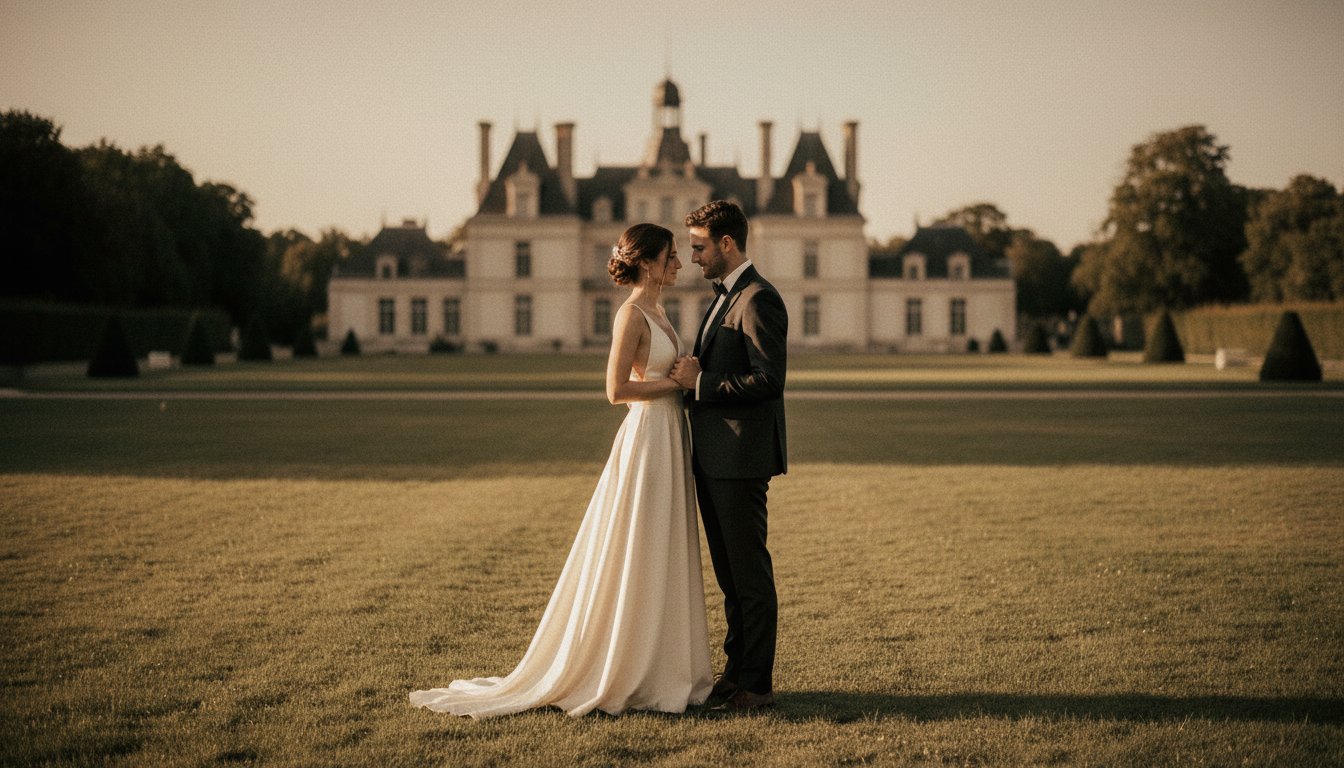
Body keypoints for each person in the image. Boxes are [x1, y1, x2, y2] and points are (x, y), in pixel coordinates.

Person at [409, 223, 712, 718]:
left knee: (663, 542)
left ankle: (661, 661)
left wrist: (680, 377)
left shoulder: (659, 310)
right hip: (647, 437)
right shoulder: (631, 313)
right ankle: (628, 665)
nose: (679, 264)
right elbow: (615, 391)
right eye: (671, 257)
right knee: (639, 542)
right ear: (648, 263)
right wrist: (675, 386)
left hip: (668, 436)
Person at [670, 200, 788, 712]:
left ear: (726, 243)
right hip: (716, 457)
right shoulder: (725, 296)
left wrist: (703, 382)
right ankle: (736, 672)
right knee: (730, 577)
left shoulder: (759, 298)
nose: (692, 256)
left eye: (698, 246)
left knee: (749, 576)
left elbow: (768, 379)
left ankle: (756, 685)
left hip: (740, 459)